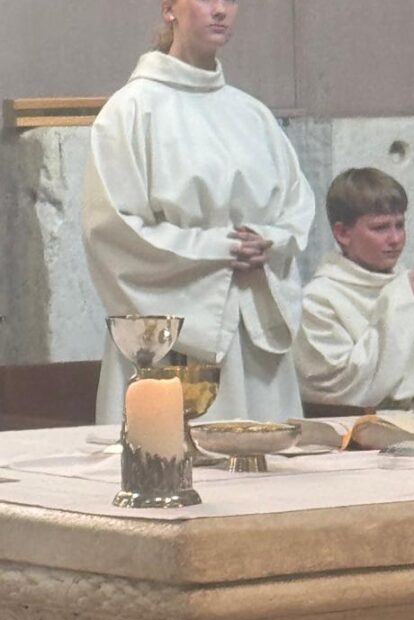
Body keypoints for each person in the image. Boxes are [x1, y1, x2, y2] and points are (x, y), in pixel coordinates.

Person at [83, 0, 315, 423]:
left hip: (251, 331)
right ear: (169, 9)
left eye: (230, 0)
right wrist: (217, 248)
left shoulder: (253, 115)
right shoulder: (131, 110)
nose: (221, 10)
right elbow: (114, 232)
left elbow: (295, 206)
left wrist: (269, 240)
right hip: (175, 338)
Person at [293, 168, 414, 414]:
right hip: (356, 430)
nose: (395, 239)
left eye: (400, 225)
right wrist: (402, 307)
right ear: (343, 233)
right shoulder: (318, 301)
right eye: (380, 228)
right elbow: (345, 389)